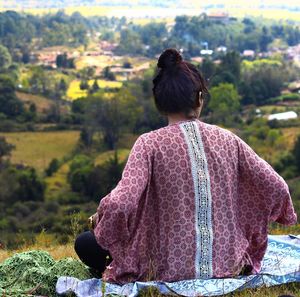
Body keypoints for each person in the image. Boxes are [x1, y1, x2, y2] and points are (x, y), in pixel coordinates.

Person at [74, 48, 297, 284]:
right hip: (227, 264)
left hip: (162, 268)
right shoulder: (229, 140)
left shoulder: (148, 144)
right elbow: (277, 187)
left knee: (86, 243)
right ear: (200, 98)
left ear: (160, 101)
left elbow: (121, 203)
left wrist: (101, 222)